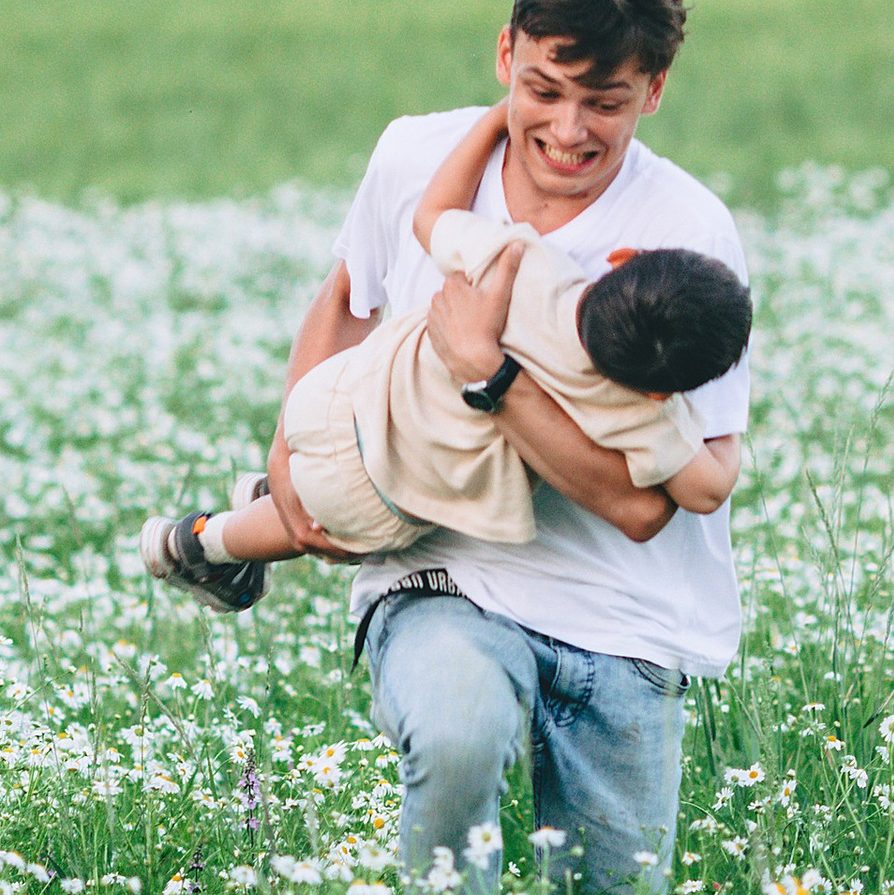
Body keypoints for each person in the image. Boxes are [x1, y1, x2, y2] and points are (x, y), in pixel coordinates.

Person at [178, 0, 750, 895]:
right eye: (544, 89)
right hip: (442, 568)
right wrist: (292, 473)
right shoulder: (416, 156)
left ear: (654, 91)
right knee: (453, 734)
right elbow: (345, 298)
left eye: (606, 103)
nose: (569, 130)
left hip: (623, 618)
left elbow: (645, 509)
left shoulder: (684, 238)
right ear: (505, 53)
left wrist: (488, 376)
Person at [139, 97, 749, 586]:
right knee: (319, 516)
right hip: (379, 484)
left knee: (317, 481)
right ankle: (201, 545)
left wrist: (494, 122)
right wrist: (702, 436)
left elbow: (431, 216)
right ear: (654, 388)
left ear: (622, 258)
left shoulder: (522, 260)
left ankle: (271, 492)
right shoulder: (632, 412)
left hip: (339, 394)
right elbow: (703, 490)